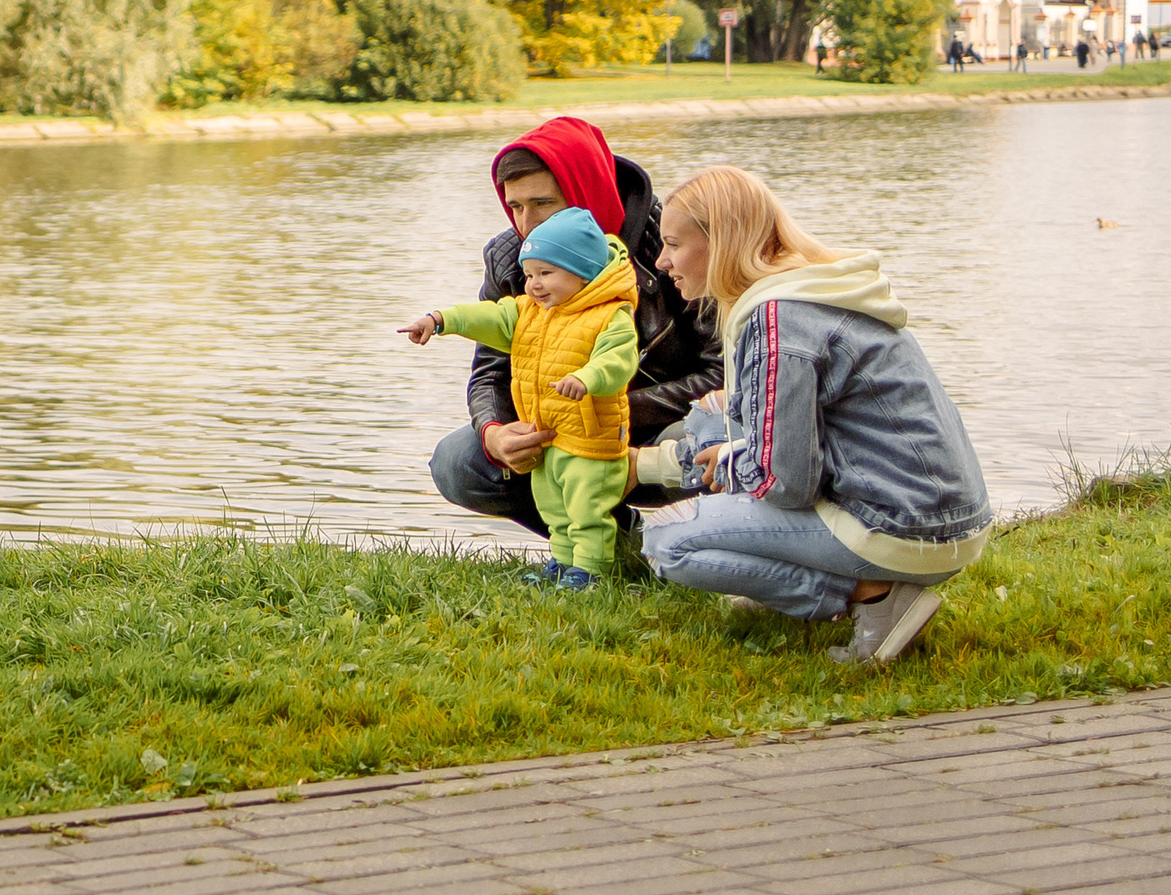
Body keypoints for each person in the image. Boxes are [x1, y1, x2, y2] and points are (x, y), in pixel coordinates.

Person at [636, 167, 991, 662]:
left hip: (902, 527)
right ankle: (787, 574)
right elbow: (760, 428)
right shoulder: (809, 287)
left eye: (673, 243)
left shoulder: (778, 320)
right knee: (707, 418)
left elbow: (788, 482)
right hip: (943, 512)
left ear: (723, 242)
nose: (661, 259)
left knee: (666, 539)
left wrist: (736, 465)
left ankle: (874, 597)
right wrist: (644, 466)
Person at [428, 118, 721, 540]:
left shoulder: (673, 240)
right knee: (457, 462)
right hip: (560, 432)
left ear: (586, 189)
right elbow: (491, 370)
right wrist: (493, 432)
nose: (526, 224)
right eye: (515, 206)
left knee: (712, 430)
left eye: (543, 203)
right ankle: (617, 545)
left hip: (655, 426)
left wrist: (601, 411)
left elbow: (724, 374)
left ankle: (708, 547)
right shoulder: (511, 259)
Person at [399, 209, 638, 590]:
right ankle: (561, 563)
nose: (535, 285)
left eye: (547, 273)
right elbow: (488, 317)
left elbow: (618, 361)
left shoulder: (609, 316)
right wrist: (441, 320)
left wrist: (587, 378)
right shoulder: (528, 312)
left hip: (592, 439)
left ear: (582, 272)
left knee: (587, 508)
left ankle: (592, 572)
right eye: (529, 274)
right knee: (554, 507)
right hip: (547, 434)